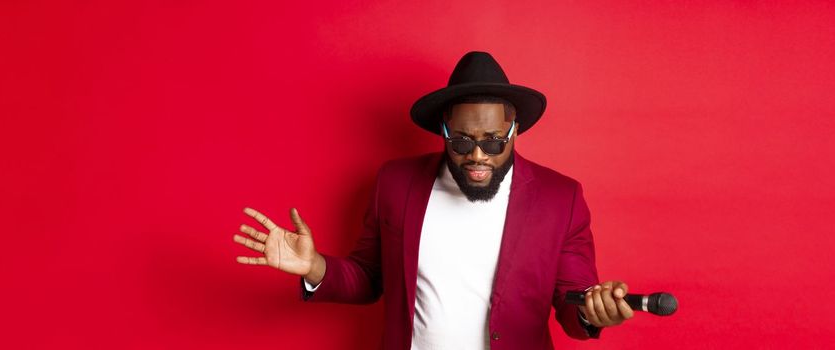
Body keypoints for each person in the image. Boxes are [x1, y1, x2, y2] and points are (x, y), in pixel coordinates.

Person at [233, 51, 635, 349]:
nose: (478, 156)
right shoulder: (396, 183)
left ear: (514, 131)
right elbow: (369, 278)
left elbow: (573, 301)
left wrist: (590, 309)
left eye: (494, 142)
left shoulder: (559, 198)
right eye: (461, 141)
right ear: (443, 131)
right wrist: (314, 266)